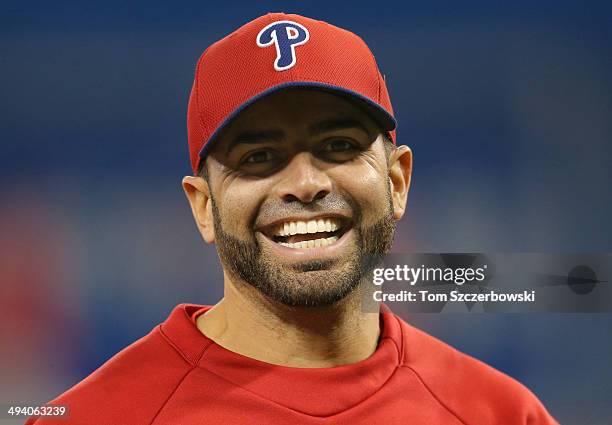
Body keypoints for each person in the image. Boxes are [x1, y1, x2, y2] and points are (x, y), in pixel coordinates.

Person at [27, 13, 559, 424]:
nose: (306, 184)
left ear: (396, 181)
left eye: (338, 145)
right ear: (204, 207)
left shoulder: (497, 411)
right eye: (258, 157)